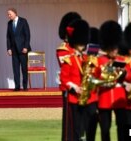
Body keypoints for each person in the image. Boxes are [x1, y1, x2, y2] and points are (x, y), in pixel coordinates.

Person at [60, 19, 90, 141]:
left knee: (85, 126)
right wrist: (74, 87)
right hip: (74, 95)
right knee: (75, 127)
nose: (83, 47)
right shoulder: (69, 59)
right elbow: (64, 78)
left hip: (86, 96)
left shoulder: (87, 58)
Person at [56, 11, 81, 141]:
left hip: (82, 89)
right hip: (70, 89)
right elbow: (67, 67)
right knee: (70, 122)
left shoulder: (79, 48)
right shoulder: (63, 49)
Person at [6, 7, 31, 91]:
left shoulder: (23, 21)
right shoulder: (9, 23)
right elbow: (8, 37)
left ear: (15, 13)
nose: (8, 16)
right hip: (14, 50)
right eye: (8, 14)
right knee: (15, 69)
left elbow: (27, 35)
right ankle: (17, 86)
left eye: (10, 14)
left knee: (24, 68)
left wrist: (26, 47)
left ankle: (25, 86)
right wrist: (8, 48)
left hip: (23, 49)